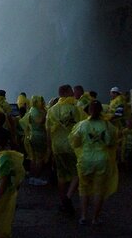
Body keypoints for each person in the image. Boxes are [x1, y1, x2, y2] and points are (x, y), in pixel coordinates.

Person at [69, 100, 118, 226]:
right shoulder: (107, 125)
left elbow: (75, 142)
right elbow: (111, 142)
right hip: (102, 159)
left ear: (88, 111)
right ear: (101, 110)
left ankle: (84, 216)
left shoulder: (82, 125)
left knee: (83, 188)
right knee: (98, 190)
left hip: (85, 160)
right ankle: (95, 218)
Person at [46, 84, 85, 213]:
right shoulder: (76, 108)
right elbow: (83, 126)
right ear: (68, 92)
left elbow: (48, 131)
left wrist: (49, 149)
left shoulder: (52, 110)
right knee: (77, 172)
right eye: (71, 91)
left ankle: (63, 202)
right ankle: (68, 197)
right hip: (72, 146)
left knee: (61, 175)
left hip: (57, 147)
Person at [23, 95, 49, 186]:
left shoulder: (31, 110)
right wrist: (46, 114)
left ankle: (32, 177)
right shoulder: (40, 112)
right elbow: (42, 122)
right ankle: (37, 178)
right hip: (40, 136)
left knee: (32, 158)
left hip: (31, 135)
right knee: (40, 158)